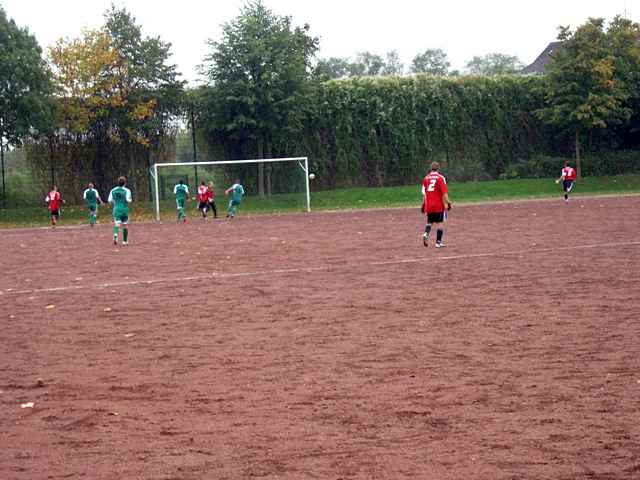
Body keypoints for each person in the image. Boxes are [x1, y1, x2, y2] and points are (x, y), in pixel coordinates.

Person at [421, 161, 452, 248]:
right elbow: (444, 193)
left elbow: (424, 193)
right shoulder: (440, 178)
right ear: (438, 168)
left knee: (429, 222)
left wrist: (423, 205)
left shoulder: (426, 178)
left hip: (429, 205)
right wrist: (448, 203)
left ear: (431, 168)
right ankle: (438, 242)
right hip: (438, 205)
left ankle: (426, 234)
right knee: (440, 223)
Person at [108, 176, 132, 246]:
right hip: (124, 209)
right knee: (125, 225)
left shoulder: (113, 190)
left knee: (117, 224)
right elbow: (128, 200)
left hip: (116, 209)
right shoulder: (127, 190)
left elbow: (109, 200)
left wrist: (115, 201)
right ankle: (124, 241)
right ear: (125, 183)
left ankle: (115, 235)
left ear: (118, 183)